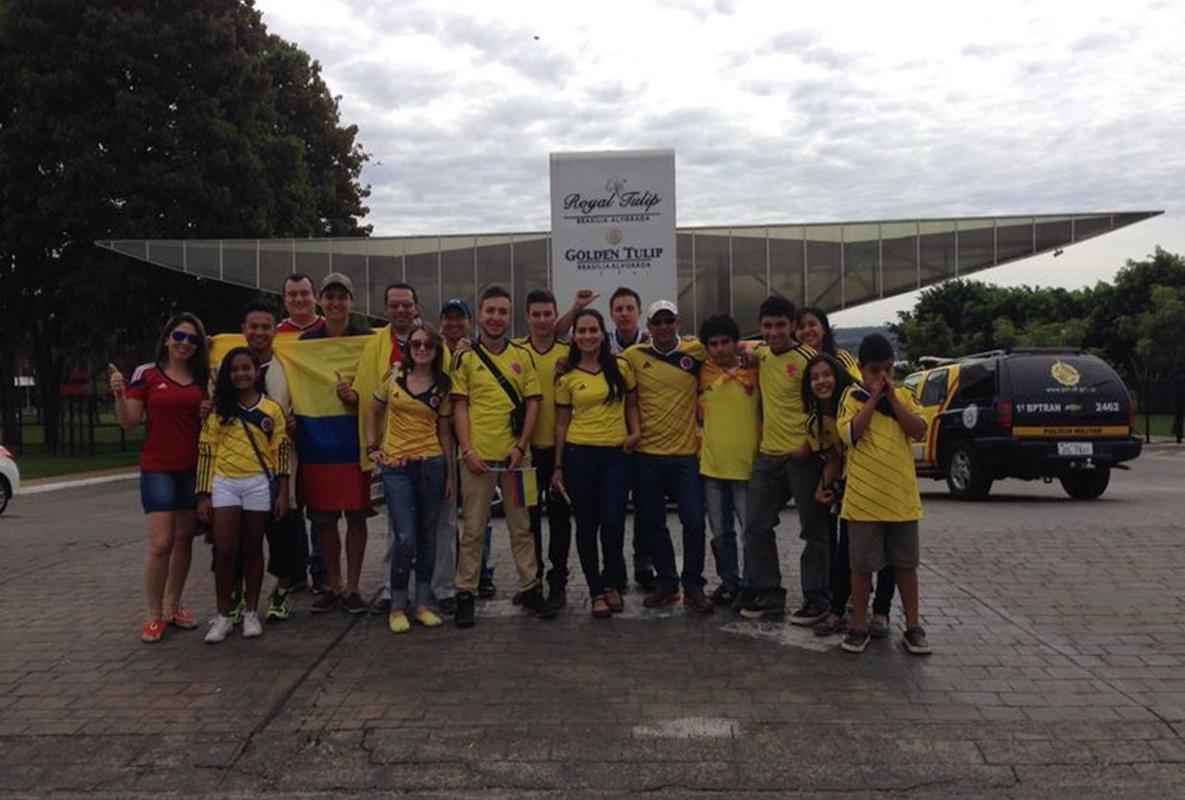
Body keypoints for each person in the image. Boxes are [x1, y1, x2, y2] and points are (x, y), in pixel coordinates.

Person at [450, 285, 550, 627]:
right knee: (474, 529)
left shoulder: (522, 356)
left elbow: (534, 401)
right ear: (480, 314)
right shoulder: (464, 358)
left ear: (511, 316)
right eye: (490, 311)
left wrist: (521, 446)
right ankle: (466, 591)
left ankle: (531, 586)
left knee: (523, 527)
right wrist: (467, 450)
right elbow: (459, 406)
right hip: (477, 460)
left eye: (502, 312)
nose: (495, 318)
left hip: (517, 460)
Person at [111, 313, 211, 642]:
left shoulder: (202, 380)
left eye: (192, 340)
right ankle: (153, 614)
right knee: (161, 543)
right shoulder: (148, 375)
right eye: (179, 336)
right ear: (167, 338)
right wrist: (119, 395)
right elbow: (129, 422)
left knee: (183, 540)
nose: (185, 344)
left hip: (192, 469)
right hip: (158, 468)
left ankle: (174, 606)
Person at [837, 334, 931, 655]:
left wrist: (891, 400)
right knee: (861, 569)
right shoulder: (851, 397)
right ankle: (858, 625)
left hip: (902, 501)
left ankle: (914, 626)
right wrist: (874, 400)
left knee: (906, 566)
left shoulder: (905, 396)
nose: (882, 378)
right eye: (875, 371)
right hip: (863, 502)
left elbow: (918, 429)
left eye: (888, 370)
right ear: (862, 370)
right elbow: (850, 434)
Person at [622, 300, 713, 613]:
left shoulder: (695, 351)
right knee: (652, 524)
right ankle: (666, 583)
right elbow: (600, 365)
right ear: (648, 327)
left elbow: (735, 346)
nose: (663, 327)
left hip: (686, 456)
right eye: (657, 322)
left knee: (694, 523)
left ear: (678, 322)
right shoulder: (634, 356)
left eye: (668, 321)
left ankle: (694, 586)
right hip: (646, 456)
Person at [196, 347, 291, 643]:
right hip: (225, 483)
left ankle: (251, 612)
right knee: (224, 549)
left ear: (256, 371)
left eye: (246, 368)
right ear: (228, 374)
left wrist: (283, 492)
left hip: (258, 484)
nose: (241, 374)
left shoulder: (271, 409)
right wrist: (203, 495)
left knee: (253, 547)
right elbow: (206, 451)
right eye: (235, 369)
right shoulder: (219, 410)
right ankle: (223, 615)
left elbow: (281, 452)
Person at [739, 295, 823, 622]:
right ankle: (770, 594)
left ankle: (817, 598)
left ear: (792, 326)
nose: (773, 332)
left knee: (813, 531)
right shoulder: (761, 354)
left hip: (802, 457)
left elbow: (826, 407)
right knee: (756, 526)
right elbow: (744, 348)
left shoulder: (809, 359)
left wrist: (810, 444)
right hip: (768, 457)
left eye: (780, 325)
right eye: (767, 326)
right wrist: (746, 353)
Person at [801, 353, 897, 638]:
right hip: (852, 492)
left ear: (840, 375)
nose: (821, 381)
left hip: (883, 487)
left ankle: (881, 612)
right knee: (844, 553)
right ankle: (838, 610)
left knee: (887, 553)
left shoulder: (859, 399)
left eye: (826, 374)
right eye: (814, 377)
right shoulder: (815, 421)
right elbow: (833, 459)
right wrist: (823, 485)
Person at [366, 324, 453, 633]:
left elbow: (444, 431)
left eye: (428, 345)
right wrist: (372, 446)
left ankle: (423, 603)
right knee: (405, 537)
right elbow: (373, 410)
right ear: (409, 347)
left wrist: (450, 475)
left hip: (431, 463)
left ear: (436, 350)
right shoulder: (394, 376)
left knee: (428, 536)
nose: (421, 349)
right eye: (416, 344)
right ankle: (397, 605)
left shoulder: (443, 385)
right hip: (397, 467)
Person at [554, 308, 640, 617]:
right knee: (587, 526)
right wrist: (559, 466)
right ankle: (596, 592)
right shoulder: (566, 376)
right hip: (580, 456)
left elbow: (631, 405)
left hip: (616, 455)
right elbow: (562, 423)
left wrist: (636, 432)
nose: (588, 336)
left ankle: (612, 582)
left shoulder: (620, 367)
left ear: (603, 334)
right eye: (582, 331)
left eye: (593, 330)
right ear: (574, 336)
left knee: (614, 523)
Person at [300, 272, 374, 615]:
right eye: (329, 297)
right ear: (320, 301)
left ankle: (354, 587)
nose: (335, 303)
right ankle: (333, 583)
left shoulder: (369, 341)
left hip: (355, 441)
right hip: (318, 443)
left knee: (357, 517)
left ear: (351, 301)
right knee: (325, 519)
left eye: (341, 297)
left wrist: (355, 395)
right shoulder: (303, 343)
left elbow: (378, 390)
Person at [350, 281, 422, 615]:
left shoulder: (430, 342)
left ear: (416, 307)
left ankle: (431, 589)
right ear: (386, 309)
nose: (401, 310)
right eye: (395, 305)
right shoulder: (375, 346)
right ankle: (396, 589)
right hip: (392, 447)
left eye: (407, 304)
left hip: (427, 447)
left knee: (433, 524)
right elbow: (367, 394)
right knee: (398, 525)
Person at [515, 289, 573, 614]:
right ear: (527, 316)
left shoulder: (568, 353)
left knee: (561, 519)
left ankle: (559, 581)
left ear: (555, 315)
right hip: (525, 453)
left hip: (561, 453)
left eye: (547, 313)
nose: (541, 320)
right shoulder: (516, 352)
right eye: (535, 314)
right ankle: (531, 581)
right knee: (528, 520)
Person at [697, 314, 759, 607]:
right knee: (721, 534)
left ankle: (752, 585)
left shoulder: (755, 370)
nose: (720, 349)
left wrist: (749, 349)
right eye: (713, 344)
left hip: (747, 468)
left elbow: (765, 347)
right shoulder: (703, 371)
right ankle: (729, 582)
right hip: (711, 468)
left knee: (750, 532)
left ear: (736, 342)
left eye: (726, 342)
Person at [274, 272, 327, 596]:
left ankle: (322, 570)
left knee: (321, 505)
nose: (298, 299)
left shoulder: (330, 331)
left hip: (322, 423)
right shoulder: (275, 335)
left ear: (315, 296)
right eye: (292, 294)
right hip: (287, 429)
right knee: (291, 505)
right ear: (284, 299)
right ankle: (295, 571)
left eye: (304, 293)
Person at [607, 287, 654, 591]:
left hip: (647, 439)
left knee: (646, 506)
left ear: (638, 312)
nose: (624, 313)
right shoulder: (599, 344)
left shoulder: (653, 343)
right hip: (611, 440)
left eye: (629, 308)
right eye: (619, 308)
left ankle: (643, 562)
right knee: (613, 509)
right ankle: (616, 568)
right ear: (612, 314)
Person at [796, 306, 860, 380]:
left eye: (812, 325)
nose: (806, 330)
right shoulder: (793, 363)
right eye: (801, 327)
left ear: (824, 329)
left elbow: (858, 387)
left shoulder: (841, 358)